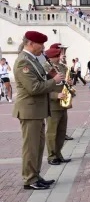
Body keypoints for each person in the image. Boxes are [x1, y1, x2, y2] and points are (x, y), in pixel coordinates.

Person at [13, 31, 64, 190]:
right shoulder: (23, 62)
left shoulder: (32, 59)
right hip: (30, 111)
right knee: (31, 147)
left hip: (37, 111)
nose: (43, 47)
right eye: (40, 44)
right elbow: (33, 88)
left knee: (38, 146)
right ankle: (29, 179)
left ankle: (35, 175)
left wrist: (52, 77)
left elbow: (41, 79)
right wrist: (53, 81)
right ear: (30, 43)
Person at [44, 47, 72, 165]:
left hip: (63, 103)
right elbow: (43, 87)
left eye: (58, 56)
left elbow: (65, 81)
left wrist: (70, 83)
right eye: (56, 56)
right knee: (52, 132)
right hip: (52, 104)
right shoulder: (45, 68)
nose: (58, 58)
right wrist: (56, 95)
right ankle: (51, 156)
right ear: (50, 57)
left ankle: (58, 153)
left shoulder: (62, 67)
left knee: (61, 131)